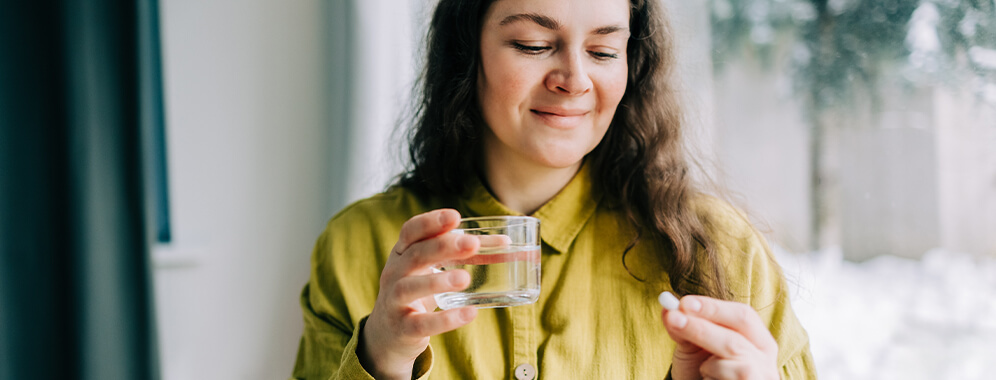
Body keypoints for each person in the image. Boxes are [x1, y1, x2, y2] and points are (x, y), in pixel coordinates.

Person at [292, 0, 817, 378]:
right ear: (466, 50)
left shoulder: (721, 250)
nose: (574, 78)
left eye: (605, 51)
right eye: (534, 45)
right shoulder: (356, 246)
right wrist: (380, 360)